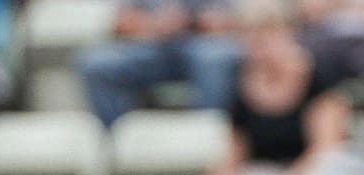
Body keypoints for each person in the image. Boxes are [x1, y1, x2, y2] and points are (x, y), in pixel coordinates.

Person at [190, 1, 342, 175]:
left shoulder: (319, 76)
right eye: (252, 38)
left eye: (268, 36)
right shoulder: (240, 84)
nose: (261, 47)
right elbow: (231, 159)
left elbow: (328, 147)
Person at [76, 0, 242, 128]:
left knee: (218, 57)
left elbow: (230, 20)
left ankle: (210, 139)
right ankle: (119, 146)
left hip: (198, 43)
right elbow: (121, 21)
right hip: (149, 46)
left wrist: (189, 20)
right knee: (96, 63)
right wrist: (155, 24)